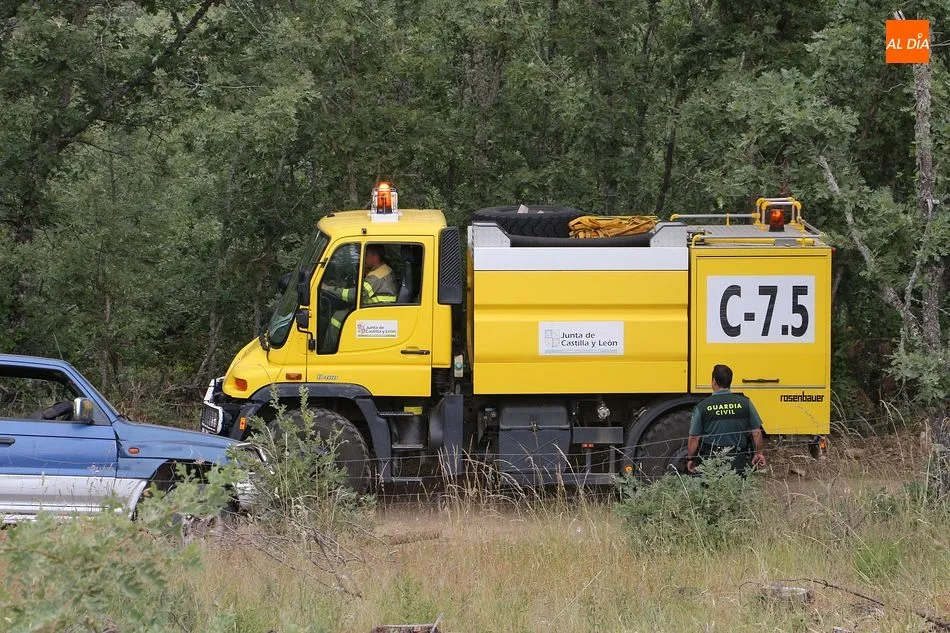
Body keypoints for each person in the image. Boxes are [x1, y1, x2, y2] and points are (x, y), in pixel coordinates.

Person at [685, 364, 767, 475]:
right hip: (738, 460)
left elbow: (694, 438)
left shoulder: (702, 406)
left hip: (711, 460)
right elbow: (756, 432)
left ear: (714, 381)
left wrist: (691, 458)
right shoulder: (745, 403)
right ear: (730, 382)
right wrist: (758, 453)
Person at [324, 245, 397, 350]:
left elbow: (354, 295)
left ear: (375, 257)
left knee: (338, 316)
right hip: (380, 309)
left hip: (378, 312)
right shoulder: (382, 269)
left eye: (365, 255)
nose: (362, 258)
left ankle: (329, 349)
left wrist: (328, 289)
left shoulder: (376, 277)